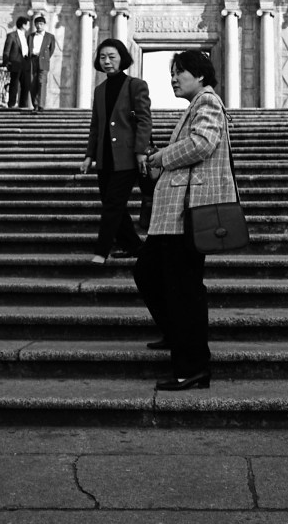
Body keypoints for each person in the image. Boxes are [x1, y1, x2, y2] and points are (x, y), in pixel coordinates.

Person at [133, 50, 235, 391]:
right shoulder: (195, 105)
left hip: (186, 214)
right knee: (148, 272)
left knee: (184, 290)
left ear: (200, 75)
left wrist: (162, 156)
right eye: (172, 72)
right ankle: (177, 333)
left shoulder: (207, 101)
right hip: (172, 215)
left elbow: (203, 144)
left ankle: (192, 367)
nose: (173, 78)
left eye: (180, 72)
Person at [80, 39, 152, 265]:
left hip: (127, 157)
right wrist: (89, 155)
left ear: (122, 58)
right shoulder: (99, 90)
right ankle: (135, 246)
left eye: (112, 57)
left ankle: (101, 251)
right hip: (105, 157)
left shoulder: (136, 85)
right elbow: (96, 125)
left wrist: (140, 151)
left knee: (113, 204)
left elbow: (144, 120)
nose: (107, 61)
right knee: (113, 205)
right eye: (103, 57)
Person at [2, 16, 31, 109]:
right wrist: (6, 62)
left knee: (26, 84)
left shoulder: (27, 36)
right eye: (28, 24)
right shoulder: (12, 35)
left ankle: (23, 104)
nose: (29, 26)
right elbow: (6, 50)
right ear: (23, 25)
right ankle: (11, 103)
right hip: (15, 61)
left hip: (25, 61)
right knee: (14, 83)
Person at [28, 15, 55, 112]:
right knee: (32, 83)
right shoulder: (30, 36)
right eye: (37, 24)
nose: (39, 26)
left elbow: (51, 50)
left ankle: (41, 105)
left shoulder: (50, 37)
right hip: (32, 60)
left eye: (41, 24)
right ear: (34, 25)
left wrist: (45, 57)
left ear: (44, 25)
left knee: (42, 82)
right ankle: (35, 104)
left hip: (43, 60)